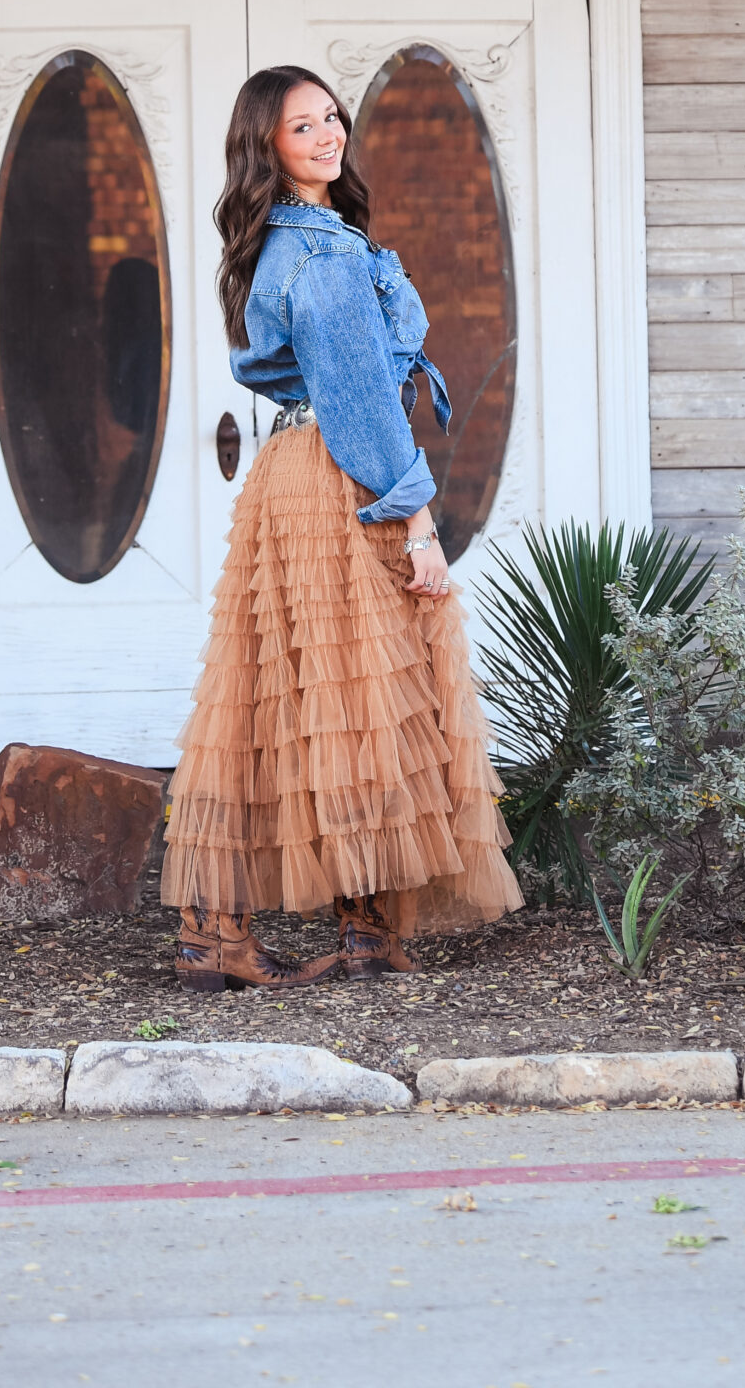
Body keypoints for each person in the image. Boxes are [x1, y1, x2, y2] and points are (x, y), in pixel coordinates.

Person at [160, 64, 523, 990]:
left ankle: (262, 931)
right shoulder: (320, 256)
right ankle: (290, 931)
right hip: (337, 472)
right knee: (349, 688)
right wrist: (417, 520)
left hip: (297, 471)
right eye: (301, 128)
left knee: (300, 690)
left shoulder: (285, 242)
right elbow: (361, 403)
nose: (327, 137)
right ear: (264, 146)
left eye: (332, 119)